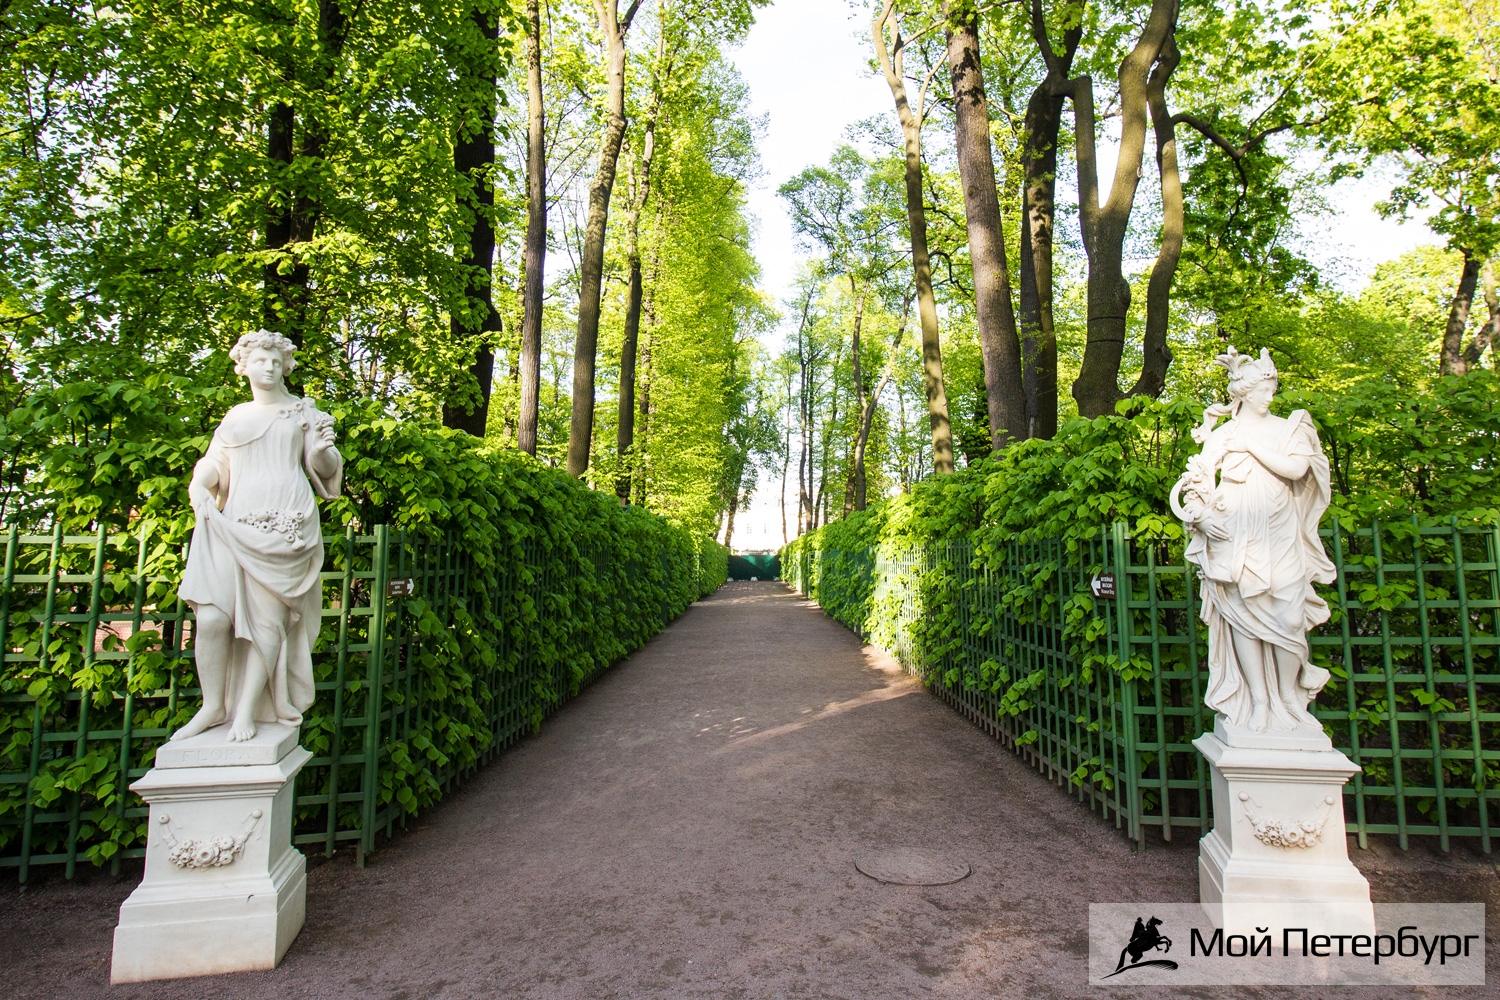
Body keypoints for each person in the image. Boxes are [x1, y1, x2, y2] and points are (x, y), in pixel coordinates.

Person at [171, 331, 342, 743]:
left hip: (287, 524)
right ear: (243, 366)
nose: (268, 366)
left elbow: (326, 466)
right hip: (233, 522)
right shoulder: (236, 416)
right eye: (259, 360)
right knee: (212, 617)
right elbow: (216, 463)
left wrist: (320, 448)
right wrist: (199, 484)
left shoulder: (302, 411)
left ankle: (246, 710)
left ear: (285, 366)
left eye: (274, 360)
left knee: (269, 624)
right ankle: (213, 705)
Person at [1171, 347, 1335, 734]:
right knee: (1243, 620)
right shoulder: (1223, 435)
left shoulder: (1288, 428)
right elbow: (1196, 485)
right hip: (1235, 534)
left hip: (1280, 533)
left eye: (1272, 388)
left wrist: (1251, 447)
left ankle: (1290, 699)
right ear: (1245, 392)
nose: (1271, 395)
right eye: (1265, 389)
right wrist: (1205, 519)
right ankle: (1259, 702)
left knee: (1290, 617)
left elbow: (1297, 469)